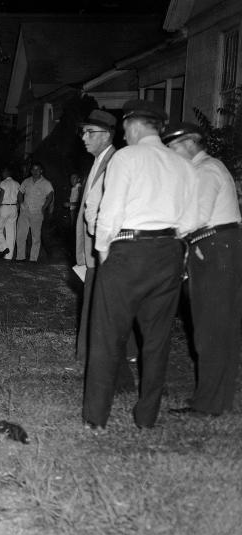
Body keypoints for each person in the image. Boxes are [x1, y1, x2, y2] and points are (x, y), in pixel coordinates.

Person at [82, 99, 199, 430]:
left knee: (107, 336)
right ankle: (147, 416)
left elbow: (111, 209)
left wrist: (104, 250)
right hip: (168, 251)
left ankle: (96, 418)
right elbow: (192, 220)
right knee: (157, 340)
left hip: (128, 251)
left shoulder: (126, 157)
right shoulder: (183, 165)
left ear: (132, 125)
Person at [163, 122, 242, 417]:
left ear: (188, 144)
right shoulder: (209, 167)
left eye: (172, 148)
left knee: (210, 328)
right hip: (219, 246)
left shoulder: (205, 171)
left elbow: (195, 218)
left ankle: (208, 404)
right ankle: (215, 400)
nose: (171, 154)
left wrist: (162, 234)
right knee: (220, 329)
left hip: (213, 248)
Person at [74, 109, 118, 366]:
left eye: (90, 132)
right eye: (83, 131)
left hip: (104, 247)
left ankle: (95, 356)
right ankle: (87, 355)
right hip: (94, 247)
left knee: (100, 303)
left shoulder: (113, 162)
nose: (84, 137)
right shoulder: (98, 161)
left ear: (107, 135)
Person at [15, 163, 54, 262]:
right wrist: (21, 203)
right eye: (33, 169)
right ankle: (20, 257)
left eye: (38, 170)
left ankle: (33, 259)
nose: (35, 171)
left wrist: (43, 208)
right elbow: (20, 193)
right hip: (25, 211)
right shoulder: (26, 181)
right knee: (20, 235)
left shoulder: (46, 183)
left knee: (35, 236)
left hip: (37, 212)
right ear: (31, 171)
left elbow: (50, 196)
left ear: (41, 171)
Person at [0, 167, 19, 260]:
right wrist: (17, 207)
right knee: (11, 232)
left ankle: (4, 248)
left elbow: (1, 195)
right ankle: (9, 256)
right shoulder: (17, 183)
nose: (2, 174)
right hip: (14, 207)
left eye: (3, 171)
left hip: (4, 207)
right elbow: (19, 196)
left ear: (7, 172)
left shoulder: (3, 183)